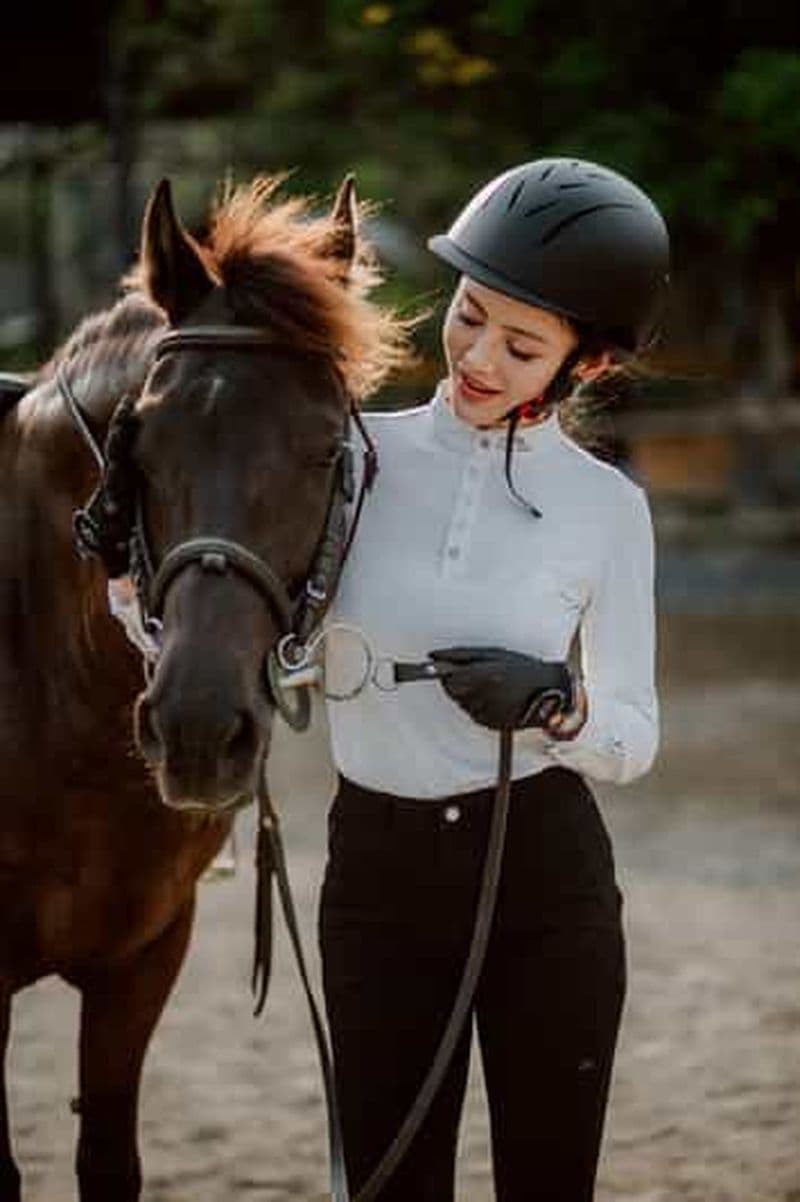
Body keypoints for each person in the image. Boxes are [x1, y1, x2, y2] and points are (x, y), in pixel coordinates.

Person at [318, 156, 669, 1202]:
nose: (476, 354)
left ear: (585, 367)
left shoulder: (605, 508)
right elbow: (253, 644)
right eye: (467, 316)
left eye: (521, 346)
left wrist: (555, 707)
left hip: (541, 878)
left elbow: (636, 731)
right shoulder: (346, 456)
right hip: (374, 876)